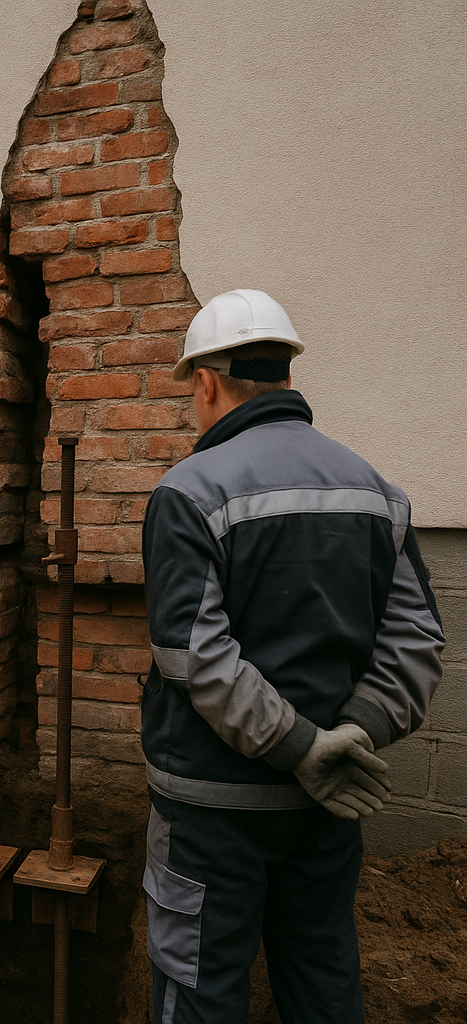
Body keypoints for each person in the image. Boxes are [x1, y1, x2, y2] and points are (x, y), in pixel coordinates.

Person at [140, 289, 445, 1023]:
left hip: (210, 814)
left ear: (207, 382)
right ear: (284, 374)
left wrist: (299, 746)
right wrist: (349, 737)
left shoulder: (188, 491)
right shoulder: (378, 492)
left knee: (200, 992)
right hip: (326, 808)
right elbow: (418, 638)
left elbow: (193, 655)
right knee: (321, 985)